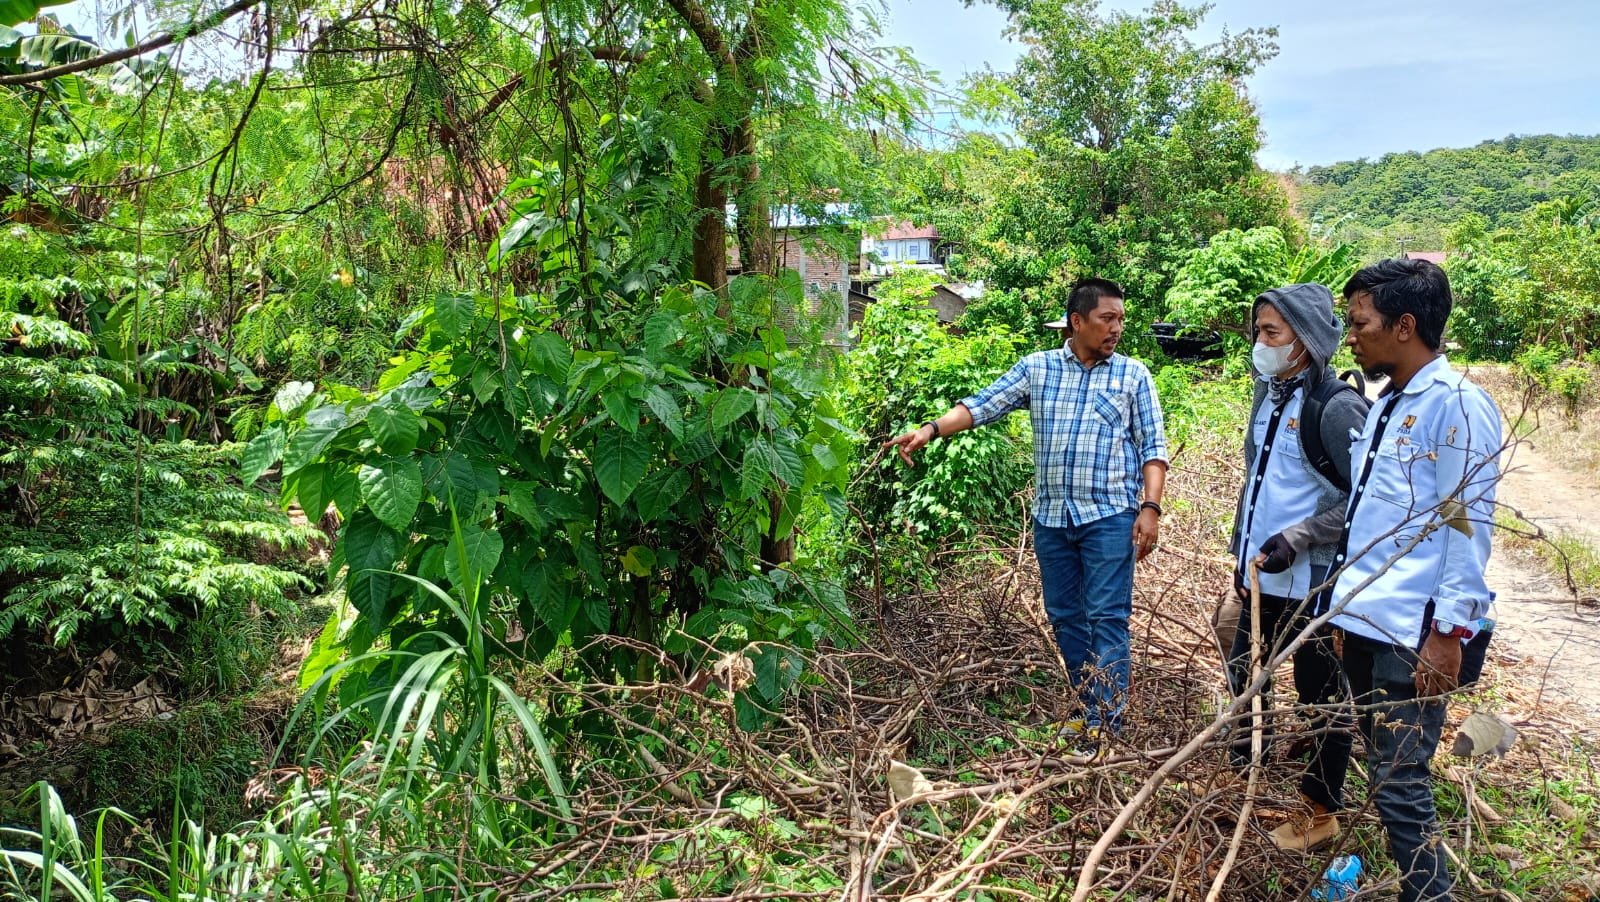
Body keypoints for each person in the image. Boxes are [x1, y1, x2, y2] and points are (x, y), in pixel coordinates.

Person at [884, 278, 1168, 743]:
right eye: (1106, 318)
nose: (1116, 328)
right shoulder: (1037, 369)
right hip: (1053, 519)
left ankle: (1107, 725)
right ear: (1077, 322)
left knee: (1107, 616)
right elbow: (982, 406)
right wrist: (930, 429)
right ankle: (1085, 705)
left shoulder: (1133, 376)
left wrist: (1150, 508)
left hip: (1110, 517)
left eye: (1120, 319)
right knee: (1064, 615)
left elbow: (1152, 448)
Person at [1318, 258, 1502, 902]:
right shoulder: (1390, 402)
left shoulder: (1453, 407)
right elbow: (1373, 519)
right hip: (1371, 620)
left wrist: (1450, 632)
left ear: (1404, 325)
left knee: (1400, 782)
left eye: (1360, 322)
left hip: (1413, 631)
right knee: (1387, 774)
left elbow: (1465, 523)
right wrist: (1346, 614)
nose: (1351, 335)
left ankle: (1429, 895)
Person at [1222, 284, 1366, 851]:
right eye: (1258, 331)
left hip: (1309, 582)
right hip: (1258, 574)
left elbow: (1363, 500)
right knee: (1244, 673)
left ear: (1305, 342)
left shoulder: (1335, 408)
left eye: (1271, 333)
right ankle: (1243, 774)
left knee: (1322, 690)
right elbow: (1256, 482)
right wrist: (1241, 551)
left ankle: (1321, 807)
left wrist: (1300, 537)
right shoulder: (1268, 395)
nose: (1260, 342)